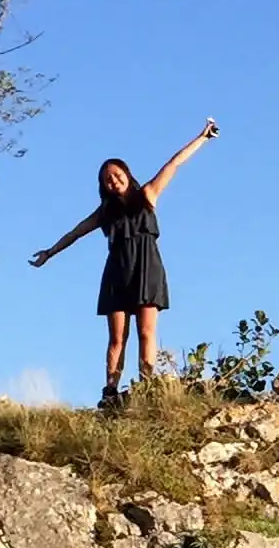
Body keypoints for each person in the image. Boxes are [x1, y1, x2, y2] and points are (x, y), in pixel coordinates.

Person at [32, 121, 219, 409]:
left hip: (147, 267)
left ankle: (147, 384)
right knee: (117, 337)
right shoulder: (104, 213)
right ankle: (110, 390)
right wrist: (49, 253)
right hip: (118, 272)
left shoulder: (147, 196)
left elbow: (174, 164)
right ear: (103, 186)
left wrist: (202, 138)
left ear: (127, 175)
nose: (113, 181)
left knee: (147, 332)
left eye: (117, 175)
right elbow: (75, 233)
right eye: (107, 179)